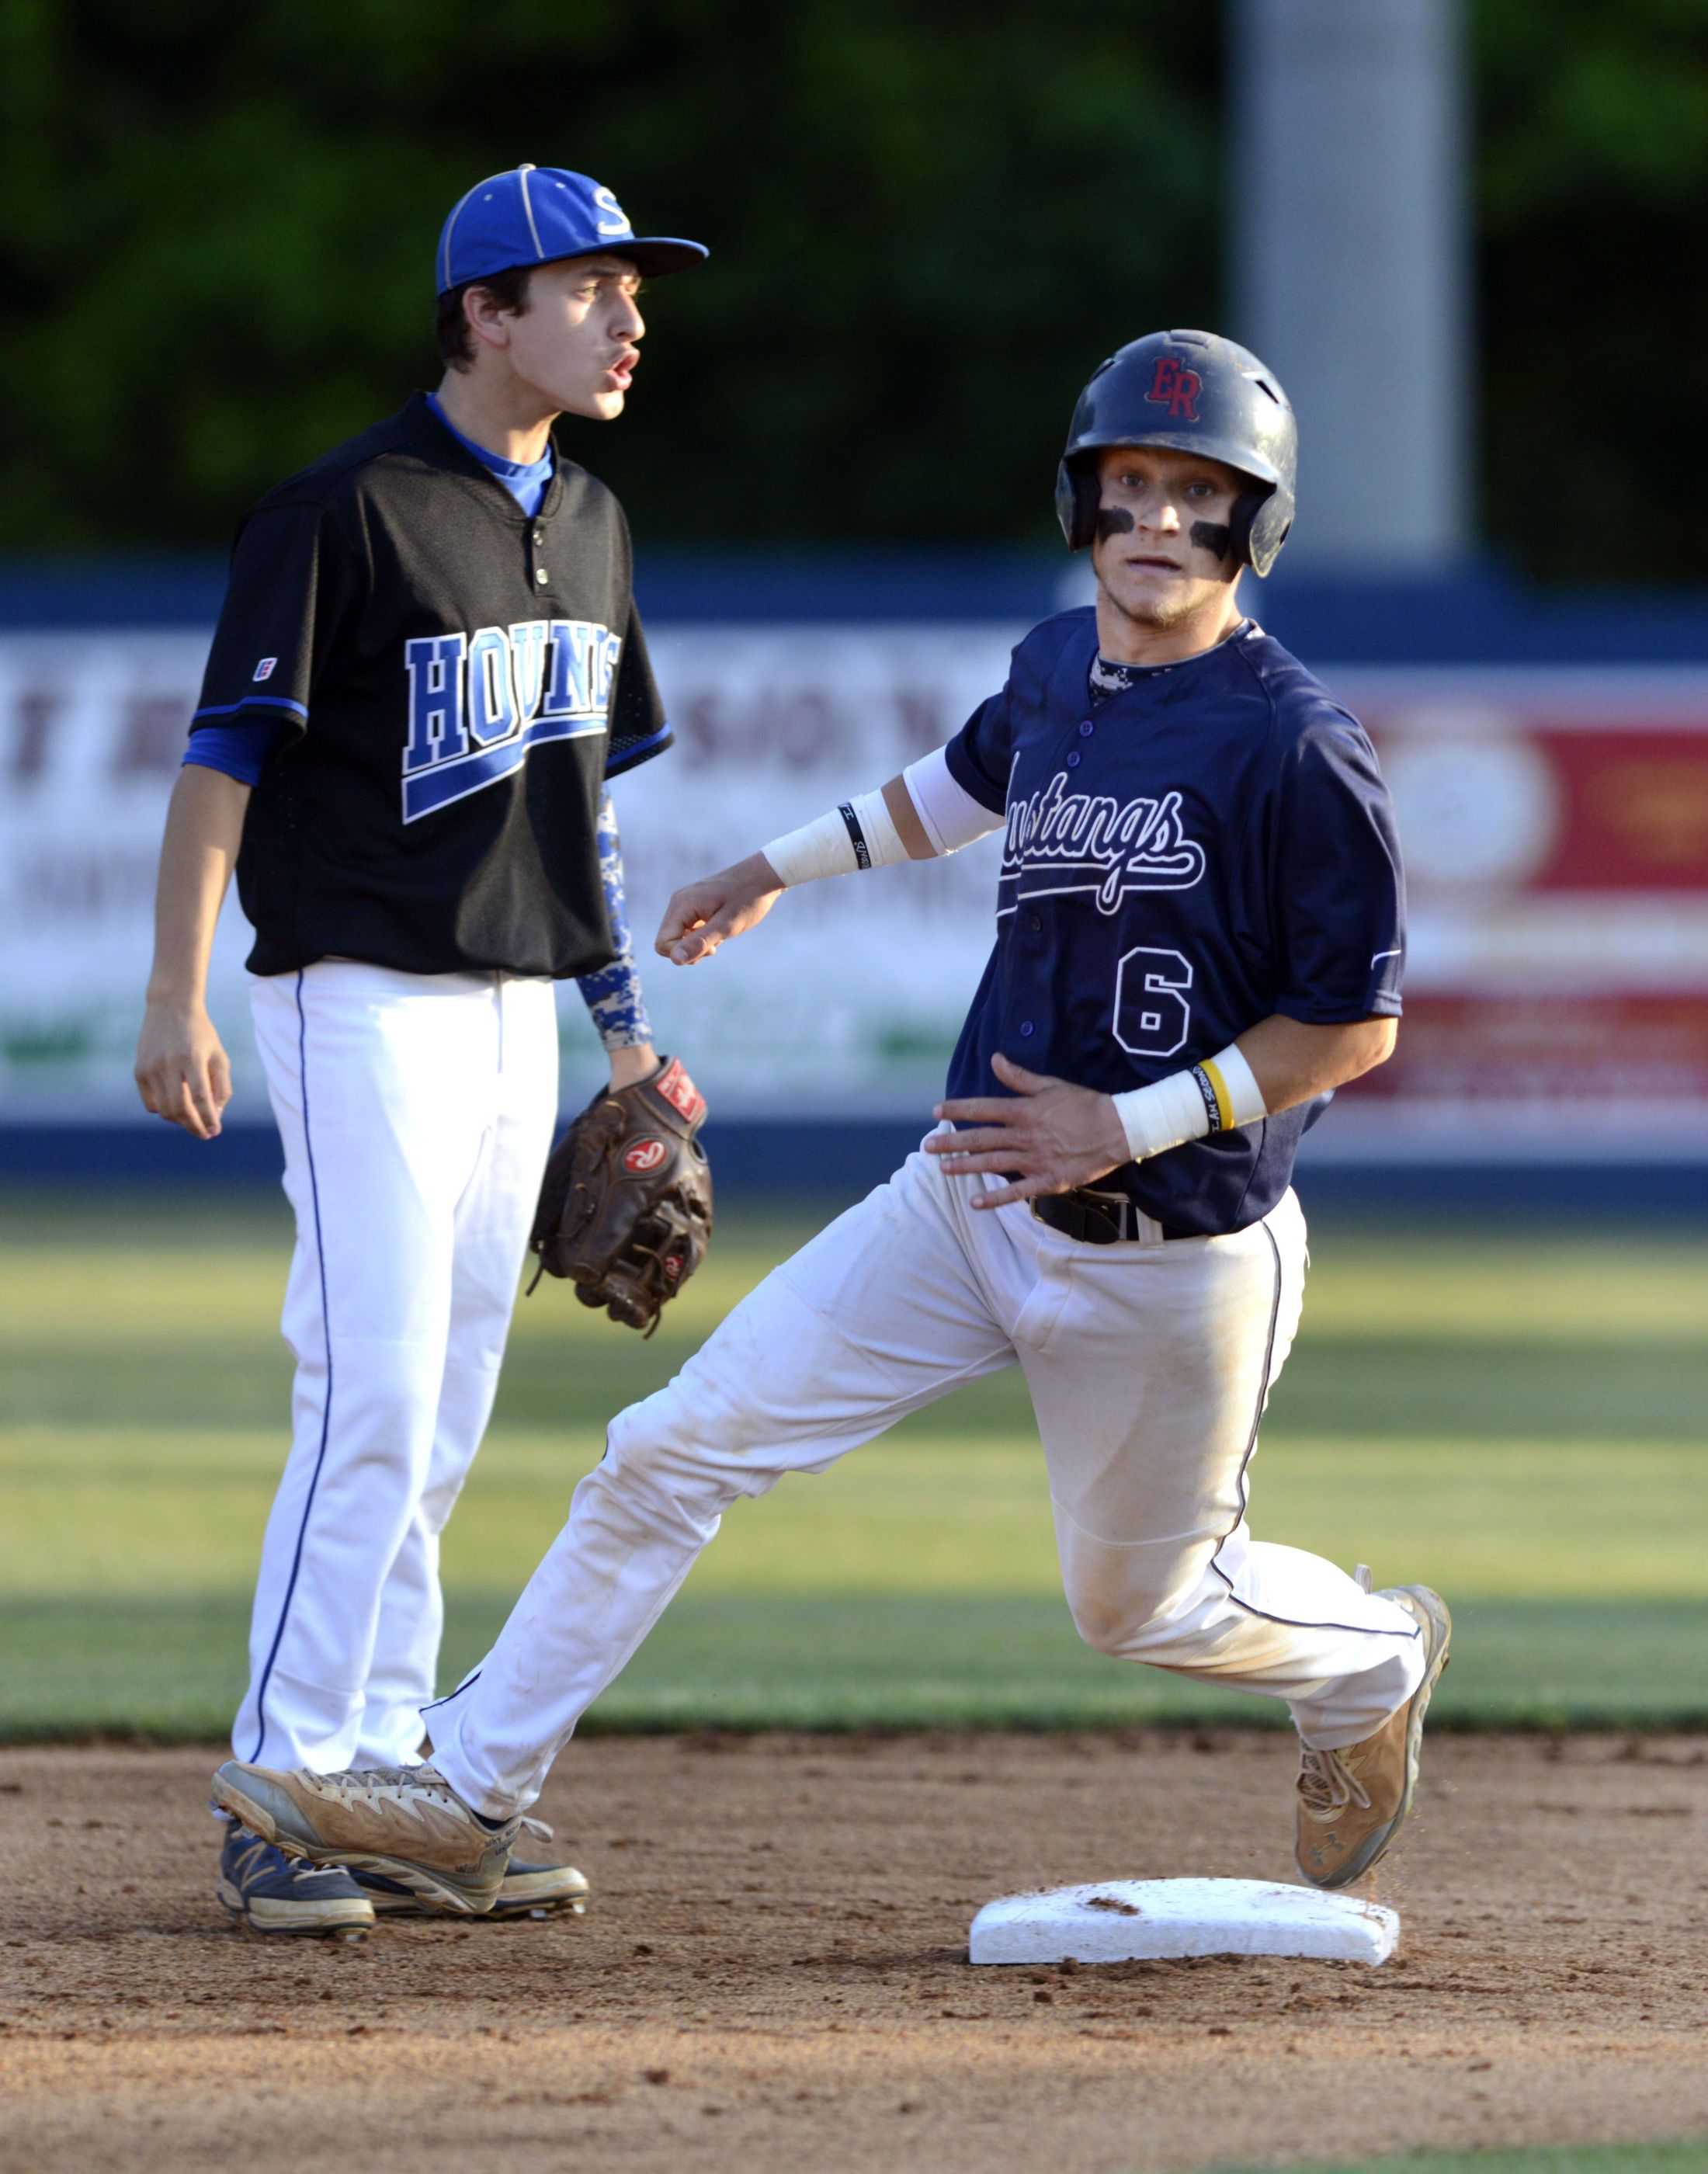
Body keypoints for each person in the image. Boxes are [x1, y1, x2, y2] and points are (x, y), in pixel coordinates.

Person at [211, 329, 1450, 1917]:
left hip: (1174, 1251)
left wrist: (1122, 1123)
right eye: (1126, 487)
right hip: (965, 1199)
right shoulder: (1055, 667)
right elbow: (950, 787)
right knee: (668, 1450)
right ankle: (463, 1786)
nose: (1154, 522)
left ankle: (1372, 1657)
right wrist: (769, 868)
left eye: (1196, 497)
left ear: (1250, 527)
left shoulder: (1292, 739)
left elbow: (1351, 1023)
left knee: (1141, 1605)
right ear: (1081, 501)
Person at [137, 165, 707, 1936]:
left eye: (633, 286)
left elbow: (575, 817)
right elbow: (219, 766)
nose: (627, 315)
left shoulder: (595, 524)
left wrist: (622, 1037)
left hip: (517, 1015)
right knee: (369, 1387)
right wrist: (177, 995)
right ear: (483, 312)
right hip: (355, 993)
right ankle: (279, 1786)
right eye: (588, 286)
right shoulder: (344, 511)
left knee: (447, 1405)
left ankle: (389, 1785)